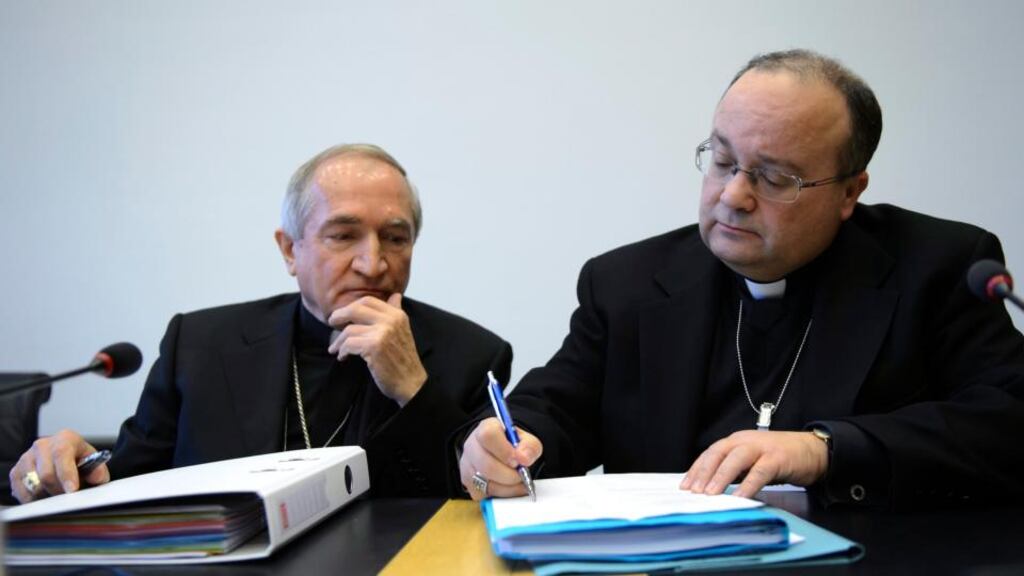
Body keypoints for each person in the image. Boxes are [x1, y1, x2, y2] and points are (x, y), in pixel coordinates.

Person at [459, 49, 1024, 509]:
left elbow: (1008, 422)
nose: (733, 196)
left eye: (775, 178)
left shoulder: (938, 267)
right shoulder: (626, 283)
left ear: (850, 191)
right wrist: (498, 445)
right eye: (723, 161)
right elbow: (552, 409)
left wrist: (826, 449)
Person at [11, 143, 512, 503]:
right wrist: (70, 467)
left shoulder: (471, 356)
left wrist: (414, 390)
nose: (372, 262)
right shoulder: (202, 346)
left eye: (395, 239)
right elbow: (126, 480)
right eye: (344, 236)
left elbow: (479, 498)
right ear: (290, 250)